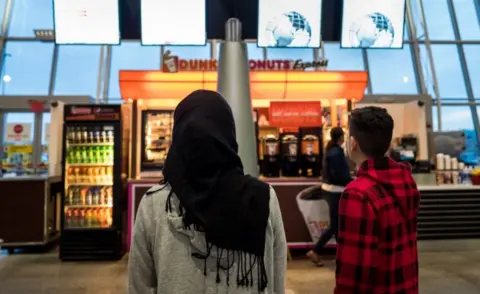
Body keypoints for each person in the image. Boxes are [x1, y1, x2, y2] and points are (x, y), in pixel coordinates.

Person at [128, 90, 287, 294]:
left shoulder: (154, 204)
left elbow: (140, 286)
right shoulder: (262, 198)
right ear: (229, 137)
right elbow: (276, 281)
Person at [335, 106, 420, 293]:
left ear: (352, 143)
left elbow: (353, 274)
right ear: (388, 145)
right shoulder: (406, 181)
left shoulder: (358, 194)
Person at [306, 127, 352, 266]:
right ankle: (315, 251)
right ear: (340, 137)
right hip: (335, 191)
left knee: (338, 225)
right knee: (335, 225)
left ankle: (341, 255)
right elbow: (340, 175)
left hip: (330, 189)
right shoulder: (336, 153)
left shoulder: (330, 151)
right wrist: (352, 181)